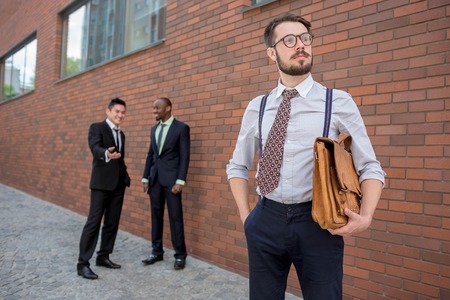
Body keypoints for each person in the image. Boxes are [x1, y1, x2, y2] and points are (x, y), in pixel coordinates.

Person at [226, 13, 385, 300]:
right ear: (271, 53)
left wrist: (367, 216)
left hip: (318, 223)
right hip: (265, 219)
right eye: (289, 40)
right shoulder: (257, 107)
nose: (300, 45)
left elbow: (370, 166)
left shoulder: (336, 102)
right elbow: (238, 165)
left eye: (305, 39)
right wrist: (246, 217)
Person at [77, 97, 131, 280]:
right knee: (93, 222)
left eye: (123, 112)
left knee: (112, 223)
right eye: (117, 111)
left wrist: (126, 176)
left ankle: (103, 256)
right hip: (100, 185)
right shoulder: (96, 127)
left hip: (118, 186)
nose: (120, 115)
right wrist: (106, 153)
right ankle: (82, 264)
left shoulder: (121, 134)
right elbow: (95, 148)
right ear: (108, 111)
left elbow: (120, 159)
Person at [141, 97, 190, 270]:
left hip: (172, 182)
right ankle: (156, 252)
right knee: (156, 216)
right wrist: (145, 178)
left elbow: (184, 156)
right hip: (155, 180)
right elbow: (151, 155)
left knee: (175, 217)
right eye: (153, 108)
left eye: (157, 108)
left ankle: (180, 255)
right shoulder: (154, 129)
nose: (154, 111)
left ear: (168, 108)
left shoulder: (181, 128)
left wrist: (180, 181)